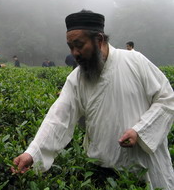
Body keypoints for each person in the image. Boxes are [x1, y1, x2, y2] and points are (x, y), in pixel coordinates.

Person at [12, 10, 174, 189]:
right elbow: (58, 118)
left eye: (79, 45)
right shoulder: (76, 79)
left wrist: (141, 131)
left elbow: (167, 99)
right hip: (101, 171)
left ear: (99, 40)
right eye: (70, 47)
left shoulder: (135, 61)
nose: (75, 53)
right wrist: (32, 153)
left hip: (145, 167)